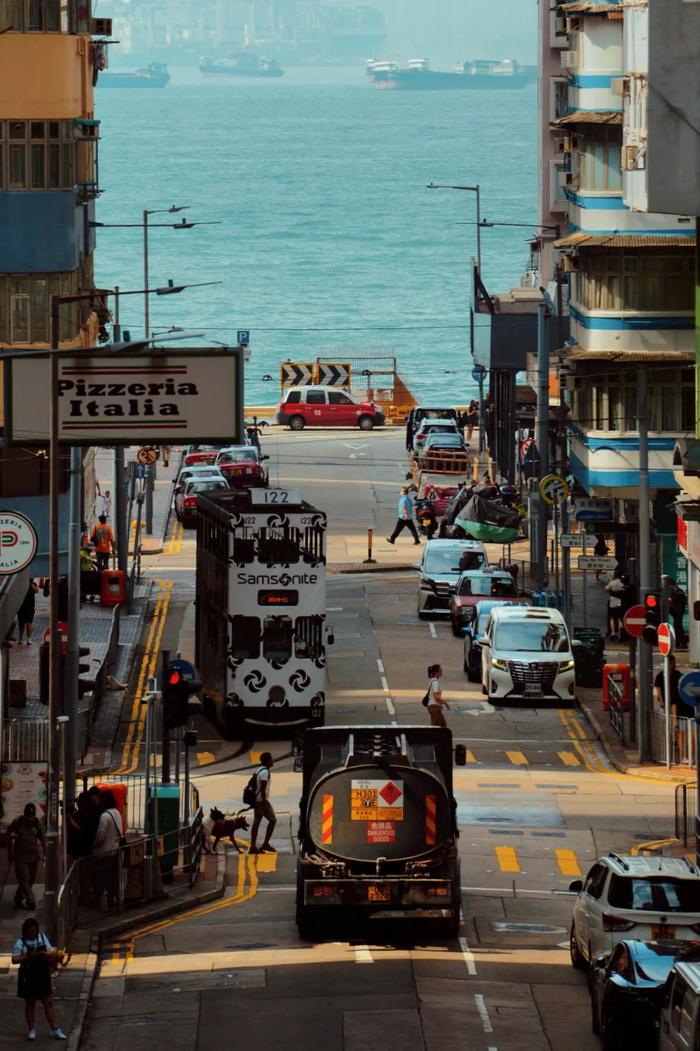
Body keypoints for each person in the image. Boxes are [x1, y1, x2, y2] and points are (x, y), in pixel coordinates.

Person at [11, 917, 67, 1041]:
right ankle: (31, 1029)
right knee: (30, 1003)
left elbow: (52, 951)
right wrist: (26, 956)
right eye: (30, 932)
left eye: (34, 931)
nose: (33, 934)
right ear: (25, 932)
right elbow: (14, 959)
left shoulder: (42, 938)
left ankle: (54, 1029)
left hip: (42, 974)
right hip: (28, 974)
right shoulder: (21, 942)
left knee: (48, 1001)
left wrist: (44, 954)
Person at [654, 656, 693, 764]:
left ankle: (676, 740)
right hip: (667, 702)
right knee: (672, 722)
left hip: (675, 701)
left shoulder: (677, 674)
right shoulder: (661, 675)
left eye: (673, 663)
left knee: (676, 724)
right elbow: (658, 688)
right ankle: (671, 739)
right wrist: (661, 701)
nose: (673, 665)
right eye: (671, 663)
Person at [8, 803, 45, 911]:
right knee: (25, 879)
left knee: (30, 880)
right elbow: (8, 834)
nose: (29, 819)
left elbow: (43, 839)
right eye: (28, 816)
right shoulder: (18, 822)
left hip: (33, 856)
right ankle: (31, 899)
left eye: (31, 816)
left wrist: (46, 854)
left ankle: (18, 897)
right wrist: (10, 853)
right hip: (20, 856)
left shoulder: (37, 822)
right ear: (24, 814)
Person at [92, 791, 124, 905]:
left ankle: (100, 898)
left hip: (104, 852)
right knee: (113, 876)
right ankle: (113, 899)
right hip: (116, 850)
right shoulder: (117, 813)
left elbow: (101, 835)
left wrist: (94, 845)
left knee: (101, 877)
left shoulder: (105, 816)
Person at [249, 752, 276, 855]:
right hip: (261, 801)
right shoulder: (265, 772)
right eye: (271, 759)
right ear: (268, 760)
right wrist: (265, 802)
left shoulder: (259, 769)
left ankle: (252, 847)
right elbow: (263, 787)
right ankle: (265, 843)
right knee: (273, 820)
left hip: (257, 800)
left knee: (256, 823)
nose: (273, 761)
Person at [425, 663, 450, 728]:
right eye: (440, 670)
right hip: (434, 707)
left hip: (432, 707)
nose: (442, 672)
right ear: (436, 672)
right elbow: (436, 697)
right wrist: (445, 703)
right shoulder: (435, 682)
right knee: (442, 726)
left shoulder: (431, 681)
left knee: (435, 726)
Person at [604, 573, 626, 641]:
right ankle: (620, 633)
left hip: (614, 600)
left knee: (612, 617)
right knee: (620, 618)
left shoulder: (612, 583)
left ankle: (613, 632)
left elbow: (605, 589)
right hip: (622, 601)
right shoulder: (622, 583)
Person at [16, 579, 39, 645]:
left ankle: (28, 639)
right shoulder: (21, 583)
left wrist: (30, 583)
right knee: (21, 623)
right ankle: (21, 638)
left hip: (29, 607)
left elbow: (36, 590)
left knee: (29, 622)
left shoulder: (32, 584)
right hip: (21, 606)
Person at [668, 579, 688, 648]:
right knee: (678, 626)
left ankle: (680, 643)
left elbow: (672, 601)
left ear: (670, 585)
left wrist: (671, 603)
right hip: (679, 611)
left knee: (678, 627)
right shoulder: (679, 590)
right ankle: (681, 643)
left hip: (677, 611)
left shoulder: (674, 591)